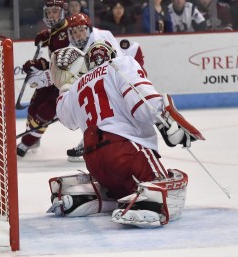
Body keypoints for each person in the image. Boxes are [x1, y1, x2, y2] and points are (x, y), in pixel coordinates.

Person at [47, 40, 204, 227]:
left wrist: (64, 88)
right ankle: (147, 204)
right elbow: (143, 101)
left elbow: (66, 117)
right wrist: (166, 120)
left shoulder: (79, 84)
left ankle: (87, 197)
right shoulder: (121, 64)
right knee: (166, 186)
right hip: (126, 151)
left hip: (94, 162)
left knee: (119, 186)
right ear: (113, 55)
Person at [64, 13, 146, 162]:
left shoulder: (102, 36)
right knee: (91, 109)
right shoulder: (71, 51)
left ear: (88, 29)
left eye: (81, 30)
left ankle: (129, 133)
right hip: (97, 84)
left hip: (114, 79)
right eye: (74, 32)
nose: (78, 35)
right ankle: (89, 140)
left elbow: (117, 60)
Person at [17, 0, 70, 157]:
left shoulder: (68, 33)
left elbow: (66, 66)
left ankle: (26, 142)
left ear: (62, 12)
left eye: (55, 11)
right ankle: (33, 137)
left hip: (67, 82)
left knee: (45, 112)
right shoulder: (56, 30)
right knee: (34, 106)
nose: (51, 15)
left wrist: (41, 66)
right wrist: (47, 40)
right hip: (55, 77)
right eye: (48, 12)